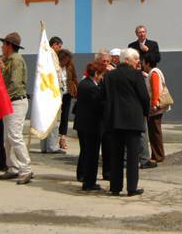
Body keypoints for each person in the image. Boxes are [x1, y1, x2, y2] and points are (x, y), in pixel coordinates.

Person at [104, 48, 150, 196]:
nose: (138, 62)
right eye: (136, 59)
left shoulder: (110, 76)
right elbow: (144, 97)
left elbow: (105, 96)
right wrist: (145, 112)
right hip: (132, 120)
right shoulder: (136, 75)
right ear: (128, 60)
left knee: (116, 155)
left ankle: (115, 187)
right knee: (132, 156)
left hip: (115, 120)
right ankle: (132, 187)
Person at [0, 32, 33, 185]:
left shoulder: (16, 60)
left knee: (14, 136)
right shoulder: (9, 60)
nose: (1, 46)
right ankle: (13, 167)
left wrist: (2, 96)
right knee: (8, 137)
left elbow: (15, 84)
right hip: (10, 101)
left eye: (4, 44)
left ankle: (26, 169)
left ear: (9, 46)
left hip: (15, 101)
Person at [75, 60, 105, 191]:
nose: (101, 77)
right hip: (91, 125)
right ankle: (89, 182)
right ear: (97, 73)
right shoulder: (92, 87)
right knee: (91, 155)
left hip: (82, 124)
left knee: (86, 152)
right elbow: (98, 106)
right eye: (101, 74)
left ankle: (86, 178)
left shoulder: (83, 83)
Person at [142, 53, 167, 164]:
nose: (142, 64)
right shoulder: (154, 72)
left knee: (155, 132)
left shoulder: (154, 73)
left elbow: (155, 90)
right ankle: (157, 154)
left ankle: (158, 156)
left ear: (147, 63)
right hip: (156, 107)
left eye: (143, 62)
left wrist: (153, 105)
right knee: (155, 132)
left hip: (155, 108)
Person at [57, 49, 79, 151]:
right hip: (56, 94)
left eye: (68, 60)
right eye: (65, 60)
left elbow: (74, 78)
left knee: (65, 116)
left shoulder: (70, 66)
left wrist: (78, 89)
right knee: (55, 117)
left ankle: (63, 138)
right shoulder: (55, 66)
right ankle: (52, 139)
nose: (67, 61)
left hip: (67, 93)